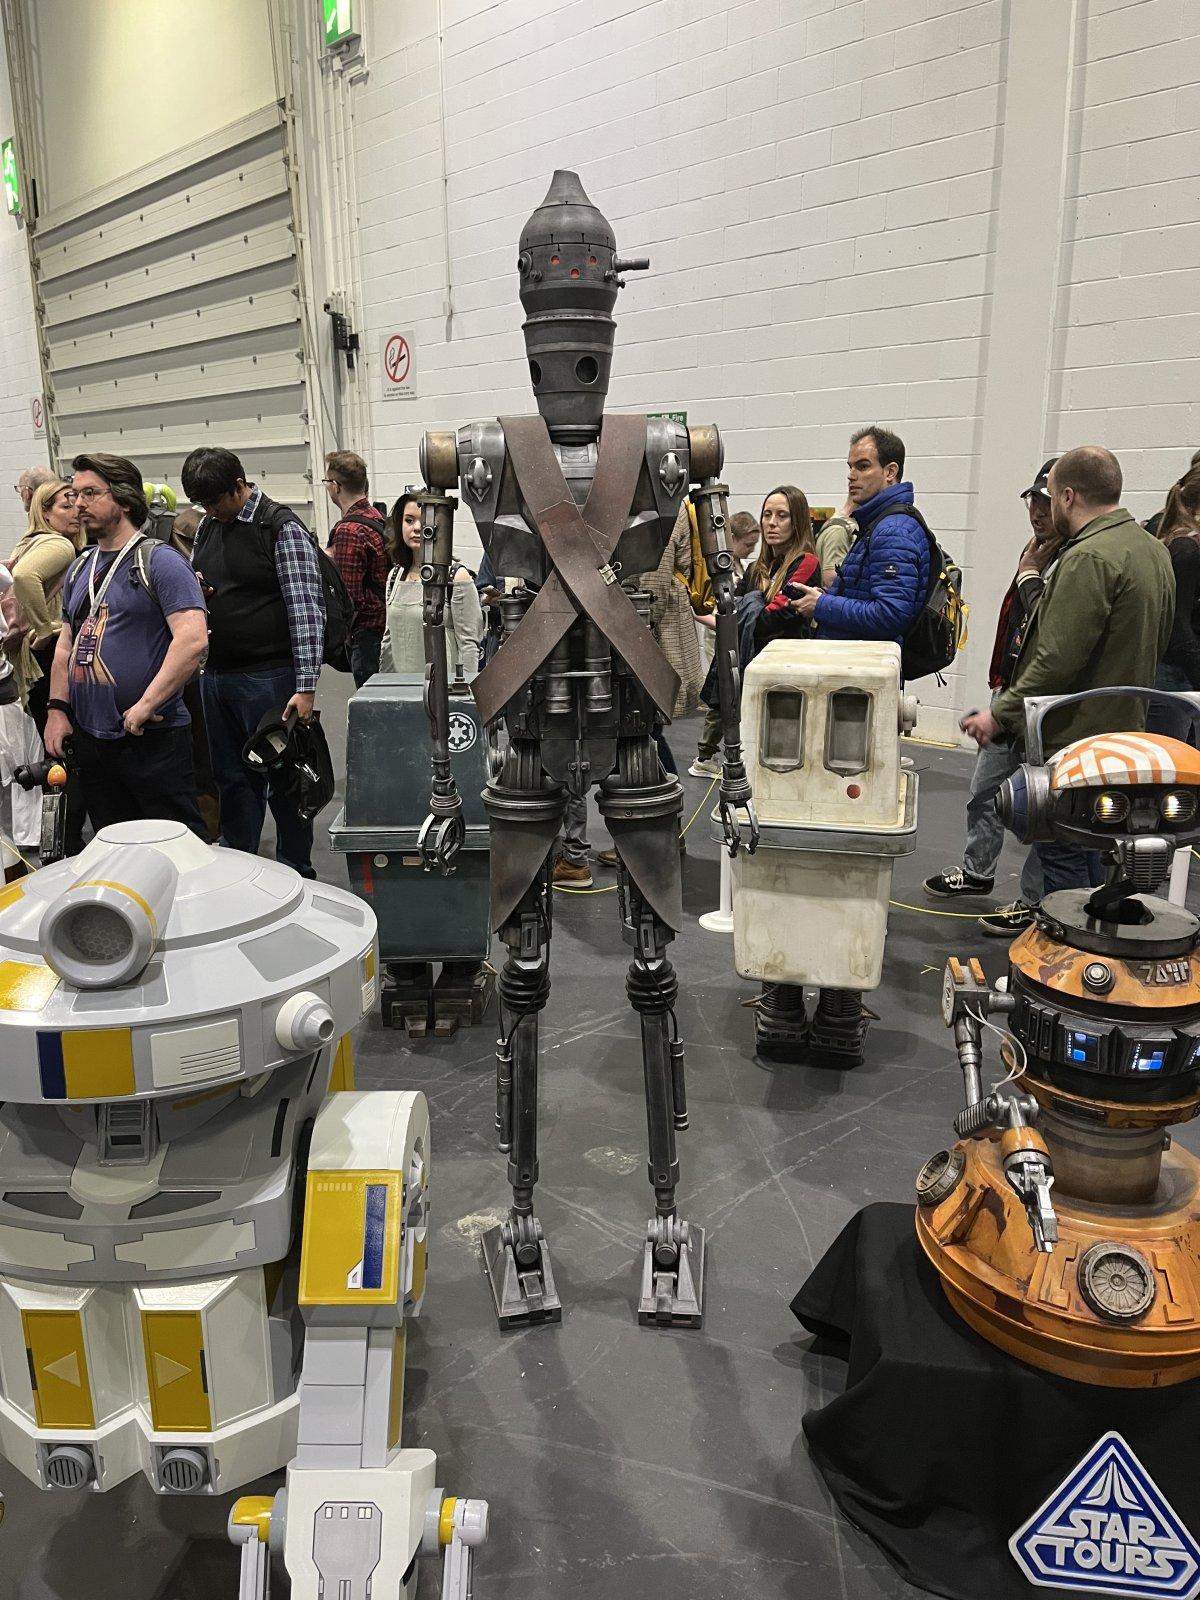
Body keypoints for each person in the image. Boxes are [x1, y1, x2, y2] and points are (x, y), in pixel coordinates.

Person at [962, 446, 1174, 900]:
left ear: (1068, 497)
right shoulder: (1154, 551)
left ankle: (1063, 941)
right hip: (1123, 735)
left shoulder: (1087, 558)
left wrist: (999, 714)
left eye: (1052, 495)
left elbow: (1055, 659)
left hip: (1074, 741)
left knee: (1065, 860)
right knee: (1096, 856)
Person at [923, 460, 1061, 931]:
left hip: (1040, 704)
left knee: (1043, 810)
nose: (1037, 512)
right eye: (1033, 502)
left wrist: (1030, 576)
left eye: (1046, 503)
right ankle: (977, 870)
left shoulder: (1068, 559)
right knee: (985, 790)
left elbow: (1050, 637)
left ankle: (1035, 902)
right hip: (1011, 692)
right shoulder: (1036, 550)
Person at [43, 454, 208, 838]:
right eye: (75, 494)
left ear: (125, 500)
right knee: (114, 844)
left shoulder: (160, 562)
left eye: (90, 493)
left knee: (173, 844)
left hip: (150, 738)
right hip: (93, 738)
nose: (79, 504)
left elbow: (192, 640)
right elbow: (66, 646)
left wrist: (147, 703)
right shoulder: (81, 567)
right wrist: (57, 709)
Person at [183, 447, 325, 878]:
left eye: (215, 501)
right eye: (202, 504)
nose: (210, 510)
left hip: (271, 679)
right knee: (232, 781)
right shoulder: (208, 526)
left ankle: (297, 873)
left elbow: (306, 610)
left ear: (239, 485)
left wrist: (306, 686)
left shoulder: (280, 528)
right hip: (218, 677)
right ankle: (237, 872)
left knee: (285, 784)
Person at [790, 426, 931, 645]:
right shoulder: (880, 523)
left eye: (863, 466)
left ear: (890, 472)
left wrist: (821, 605)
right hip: (859, 659)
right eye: (850, 467)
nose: (851, 475)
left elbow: (890, 615)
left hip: (866, 662)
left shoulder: (893, 531)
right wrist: (825, 597)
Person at [5, 480, 84, 730]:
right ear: (45, 512)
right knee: (58, 728)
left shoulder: (30, 541)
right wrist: (44, 630)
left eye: (77, 505)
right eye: (66, 507)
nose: (76, 512)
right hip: (44, 651)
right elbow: (24, 576)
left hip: (25, 650)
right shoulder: (59, 544)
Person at [378, 492, 484, 675]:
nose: (416, 528)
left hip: (443, 688)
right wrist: (383, 685)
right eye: (409, 520)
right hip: (401, 687)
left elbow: (469, 646)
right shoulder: (395, 576)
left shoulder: (456, 578)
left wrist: (464, 690)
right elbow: (389, 641)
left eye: (424, 521)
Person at [689, 509, 759, 778]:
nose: (751, 550)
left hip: (734, 635)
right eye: (748, 544)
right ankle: (704, 757)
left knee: (731, 696)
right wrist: (723, 625)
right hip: (719, 637)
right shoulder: (716, 567)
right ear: (733, 538)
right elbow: (696, 607)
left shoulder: (738, 565)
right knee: (721, 697)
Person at [324, 450, 390, 687]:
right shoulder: (378, 517)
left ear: (335, 486)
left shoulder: (349, 531)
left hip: (367, 636)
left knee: (370, 703)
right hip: (385, 628)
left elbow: (349, 598)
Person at [1145, 462, 1200, 744]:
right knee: (1166, 760)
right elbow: (1178, 626)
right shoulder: (1186, 549)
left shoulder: (1174, 538)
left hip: (1174, 673)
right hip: (1173, 676)